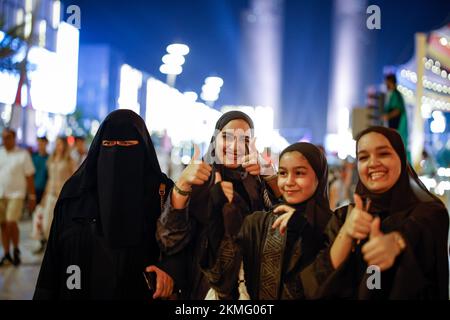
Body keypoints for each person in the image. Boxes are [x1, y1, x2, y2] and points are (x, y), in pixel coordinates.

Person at [34, 110, 181, 300]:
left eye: (127, 144)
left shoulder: (161, 192)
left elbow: (181, 244)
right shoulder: (76, 194)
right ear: (98, 147)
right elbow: (53, 263)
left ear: (143, 148)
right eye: (109, 144)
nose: (117, 151)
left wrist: (170, 271)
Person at [156, 111, 279, 299]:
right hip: (205, 289)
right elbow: (169, 240)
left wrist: (269, 174)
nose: (235, 146)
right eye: (227, 137)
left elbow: (284, 225)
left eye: (245, 139)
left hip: (254, 289)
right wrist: (182, 186)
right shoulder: (198, 177)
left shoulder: (257, 180)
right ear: (215, 139)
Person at [317, 126, 448, 299]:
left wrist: (396, 242)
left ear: (401, 158)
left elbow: (418, 230)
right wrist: (347, 234)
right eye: (363, 157)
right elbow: (320, 281)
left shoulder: (429, 212)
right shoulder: (345, 216)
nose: (373, 163)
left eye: (383, 154)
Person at [199, 142, 332, 299]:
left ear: (319, 177)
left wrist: (305, 232)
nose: (289, 181)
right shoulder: (257, 223)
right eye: (283, 173)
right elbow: (222, 280)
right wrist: (216, 214)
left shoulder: (334, 224)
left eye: (300, 173)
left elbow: (328, 283)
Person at [32, 136, 75, 253]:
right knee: (46, 223)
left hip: (63, 196)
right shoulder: (51, 159)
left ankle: (59, 248)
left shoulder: (69, 160)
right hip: (50, 195)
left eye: (60, 144)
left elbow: (73, 180)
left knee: (61, 224)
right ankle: (49, 244)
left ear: (65, 145)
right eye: (57, 143)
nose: (58, 146)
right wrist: (44, 197)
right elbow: (49, 179)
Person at [0, 128, 36, 266]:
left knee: (11, 222)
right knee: (3, 224)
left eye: (8, 137)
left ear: (14, 138)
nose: (5, 140)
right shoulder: (0, 153)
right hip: (1, 194)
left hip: (17, 194)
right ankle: (7, 253)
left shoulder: (23, 154)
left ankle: (15, 248)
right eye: (3, 137)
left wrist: (32, 197)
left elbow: (29, 176)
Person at [382, 74, 410, 162]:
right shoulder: (392, 94)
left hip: (397, 127)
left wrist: (387, 116)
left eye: (387, 82)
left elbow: (397, 110)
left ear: (390, 82)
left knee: (397, 147)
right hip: (395, 127)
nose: (385, 84)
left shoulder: (395, 95)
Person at [32, 136, 49, 205]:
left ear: (46, 144)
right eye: (39, 144)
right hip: (33, 188)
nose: (40, 146)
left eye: (42, 143)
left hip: (44, 189)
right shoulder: (33, 157)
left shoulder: (50, 159)